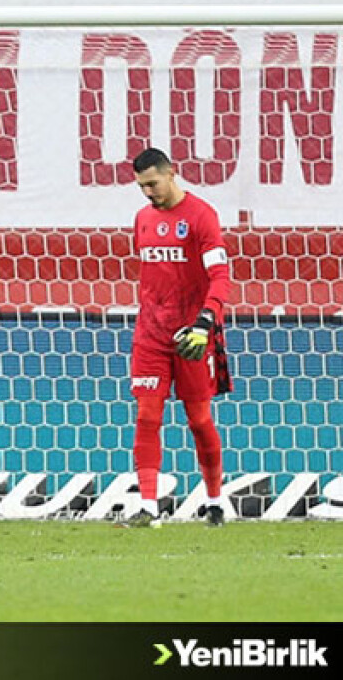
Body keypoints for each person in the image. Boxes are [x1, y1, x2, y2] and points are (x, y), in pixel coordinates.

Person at [124, 148, 232, 528]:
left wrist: (205, 323)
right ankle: (148, 507)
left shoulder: (202, 216)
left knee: (199, 420)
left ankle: (215, 501)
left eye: (153, 183)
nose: (148, 192)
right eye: (142, 186)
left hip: (193, 336)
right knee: (147, 415)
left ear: (172, 173)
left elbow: (220, 276)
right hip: (151, 334)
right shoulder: (142, 219)